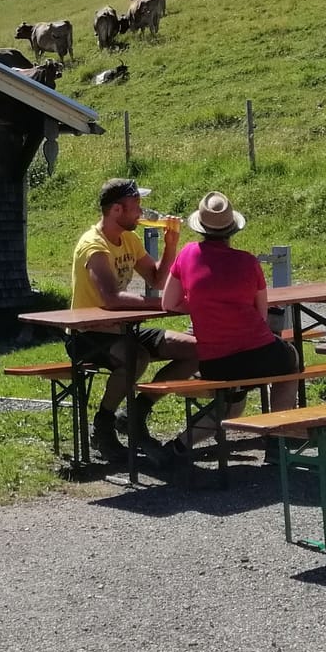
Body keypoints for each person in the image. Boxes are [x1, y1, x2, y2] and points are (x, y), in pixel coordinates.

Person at [156, 191, 298, 465]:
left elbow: (169, 302)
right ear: (231, 228)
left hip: (216, 361)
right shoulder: (247, 261)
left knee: (233, 402)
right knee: (290, 362)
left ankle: (182, 445)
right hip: (259, 353)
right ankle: (278, 439)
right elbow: (260, 312)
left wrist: (201, 304)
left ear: (201, 227)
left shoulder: (187, 255)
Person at [68, 178, 198, 462]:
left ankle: (135, 414)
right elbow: (111, 298)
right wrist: (165, 305)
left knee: (196, 349)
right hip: (89, 334)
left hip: (126, 329)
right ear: (116, 210)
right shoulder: (94, 245)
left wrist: (170, 245)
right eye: (136, 205)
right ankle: (104, 423)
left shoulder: (130, 238)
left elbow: (156, 279)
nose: (141, 211)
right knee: (136, 357)